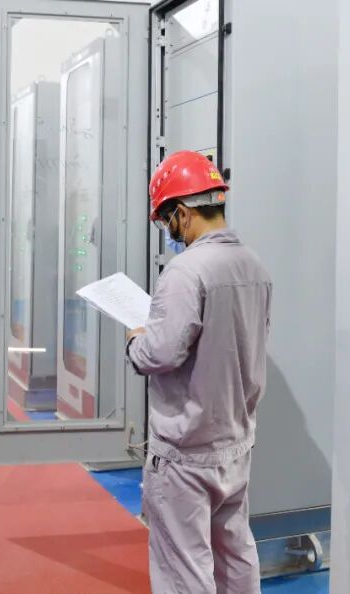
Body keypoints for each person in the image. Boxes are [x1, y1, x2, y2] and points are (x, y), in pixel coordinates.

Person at [126, 150, 272, 594]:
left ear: (183, 213)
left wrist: (135, 340)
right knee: (234, 555)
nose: (169, 230)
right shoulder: (254, 265)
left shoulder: (185, 271)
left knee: (184, 570)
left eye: (166, 220)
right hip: (235, 443)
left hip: (185, 453)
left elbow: (159, 354)